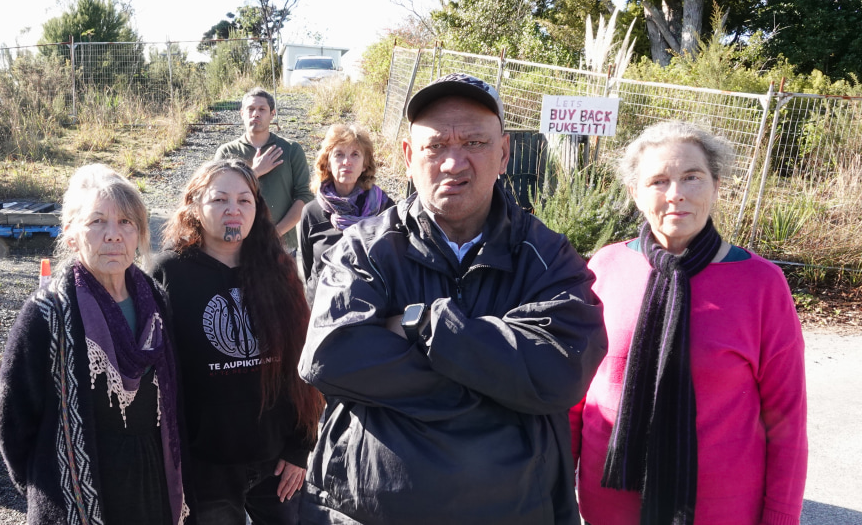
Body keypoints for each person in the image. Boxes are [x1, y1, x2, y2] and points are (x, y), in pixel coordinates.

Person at [298, 73, 607, 525]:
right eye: (436, 145)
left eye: (475, 143)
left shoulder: (548, 257)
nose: (453, 162)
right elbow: (330, 354)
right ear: (408, 156)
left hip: (515, 511)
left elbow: (560, 371)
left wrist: (423, 325)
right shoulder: (364, 249)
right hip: (364, 513)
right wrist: (497, 386)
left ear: (504, 153)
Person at [571, 121, 808, 525]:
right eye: (658, 181)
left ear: (716, 185)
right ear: (635, 194)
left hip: (722, 508)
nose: (676, 193)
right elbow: (574, 393)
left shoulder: (761, 283)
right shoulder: (605, 267)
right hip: (608, 503)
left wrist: (781, 516)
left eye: (692, 177)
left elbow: (787, 417)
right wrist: (556, 485)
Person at [0, 164, 190, 525]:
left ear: (140, 234)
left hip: (152, 484)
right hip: (77, 496)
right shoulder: (45, 315)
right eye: (97, 221)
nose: (113, 235)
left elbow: (175, 398)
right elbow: (13, 423)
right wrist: (49, 488)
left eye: (126, 223)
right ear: (71, 234)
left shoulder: (157, 302)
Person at [151, 159, 323, 525]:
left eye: (245, 201)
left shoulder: (278, 268)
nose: (234, 210)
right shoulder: (169, 272)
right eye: (220, 200)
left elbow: (304, 363)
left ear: (258, 209)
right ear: (194, 205)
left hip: (277, 462)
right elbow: (156, 376)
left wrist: (300, 448)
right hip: (205, 467)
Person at [296, 123, 394, 297]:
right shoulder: (312, 212)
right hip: (323, 311)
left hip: (371, 309)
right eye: (339, 154)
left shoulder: (384, 209)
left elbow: (393, 265)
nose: (347, 162)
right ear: (327, 163)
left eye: (355, 154)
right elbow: (309, 268)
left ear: (365, 164)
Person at [214, 87, 314, 251]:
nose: (256, 114)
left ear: (272, 114)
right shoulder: (226, 152)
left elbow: (305, 195)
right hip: (236, 246)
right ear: (242, 113)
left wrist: (276, 233)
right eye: (250, 109)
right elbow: (217, 196)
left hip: (281, 247)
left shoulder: (290, 149)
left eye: (262, 109)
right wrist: (254, 172)